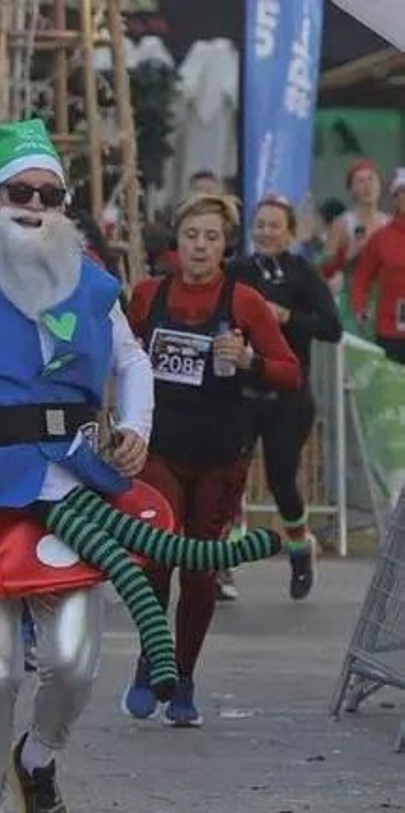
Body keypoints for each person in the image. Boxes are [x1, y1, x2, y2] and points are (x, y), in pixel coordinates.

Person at [0, 121, 279, 813]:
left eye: (49, 195)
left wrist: (136, 428)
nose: (34, 206)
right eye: (19, 193)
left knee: (74, 665)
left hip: (68, 481)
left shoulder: (89, 278)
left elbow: (132, 360)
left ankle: (39, 757)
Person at [125, 193, 302, 726]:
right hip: (161, 447)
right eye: (191, 236)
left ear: (226, 245)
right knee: (156, 556)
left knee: (200, 570)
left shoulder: (244, 301)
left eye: (211, 237)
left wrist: (249, 359)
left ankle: (183, 677)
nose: (200, 247)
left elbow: (290, 372)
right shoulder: (149, 295)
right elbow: (121, 357)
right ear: (176, 242)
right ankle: (150, 660)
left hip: (221, 452)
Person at [226, 195, 342, 598]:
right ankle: (224, 564)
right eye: (260, 225)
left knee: (281, 482)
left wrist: (287, 316)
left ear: (290, 233)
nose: (266, 233)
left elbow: (332, 328)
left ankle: (299, 549)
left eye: (274, 226)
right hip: (241, 392)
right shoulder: (237, 270)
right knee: (230, 478)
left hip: (288, 396)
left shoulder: (302, 272)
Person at [351, 169, 405, 364]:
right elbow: (361, 278)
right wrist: (360, 308)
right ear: (395, 199)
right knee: (392, 381)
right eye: (402, 192)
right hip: (390, 331)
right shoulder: (381, 238)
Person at [321, 160, 388, 288]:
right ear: (351, 190)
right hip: (352, 295)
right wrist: (347, 255)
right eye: (360, 181)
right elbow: (323, 270)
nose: (368, 186)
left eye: (371, 179)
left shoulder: (390, 223)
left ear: (380, 185)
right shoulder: (341, 224)